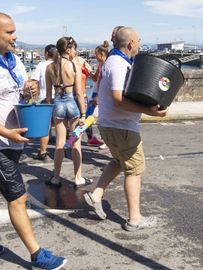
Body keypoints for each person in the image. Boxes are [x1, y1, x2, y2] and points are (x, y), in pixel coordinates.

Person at [0, 12, 66, 269]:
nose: (15, 36)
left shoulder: (13, 59)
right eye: (9, 32)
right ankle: (36, 254)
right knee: (17, 198)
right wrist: (6, 133)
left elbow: (21, 90)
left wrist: (28, 88)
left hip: (12, 140)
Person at [83, 27, 168, 231]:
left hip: (111, 124)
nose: (139, 44)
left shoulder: (113, 61)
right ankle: (135, 219)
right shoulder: (119, 64)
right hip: (121, 127)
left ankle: (96, 195)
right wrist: (151, 112)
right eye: (138, 41)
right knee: (135, 171)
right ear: (130, 43)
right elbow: (119, 99)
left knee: (118, 161)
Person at [45, 36, 92, 188]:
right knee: (75, 143)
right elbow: (79, 93)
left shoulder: (50, 67)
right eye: (74, 49)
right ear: (68, 49)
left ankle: (56, 178)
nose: (76, 52)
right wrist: (84, 114)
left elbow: (48, 96)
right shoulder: (74, 65)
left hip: (58, 104)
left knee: (59, 143)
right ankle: (78, 178)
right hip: (72, 105)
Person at [31, 44, 57, 161]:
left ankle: (42, 151)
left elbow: (34, 82)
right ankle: (63, 149)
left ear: (46, 53)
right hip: (59, 98)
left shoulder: (41, 65)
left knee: (44, 127)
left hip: (45, 99)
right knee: (61, 126)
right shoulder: (59, 64)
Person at [85, 40, 111, 148]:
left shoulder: (108, 65)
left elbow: (105, 82)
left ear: (102, 54)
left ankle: (107, 141)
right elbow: (96, 79)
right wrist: (89, 71)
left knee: (103, 118)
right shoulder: (100, 64)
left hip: (101, 94)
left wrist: (98, 96)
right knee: (87, 116)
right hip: (96, 92)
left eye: (96, 55)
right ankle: (91, 138)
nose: (95, 57)